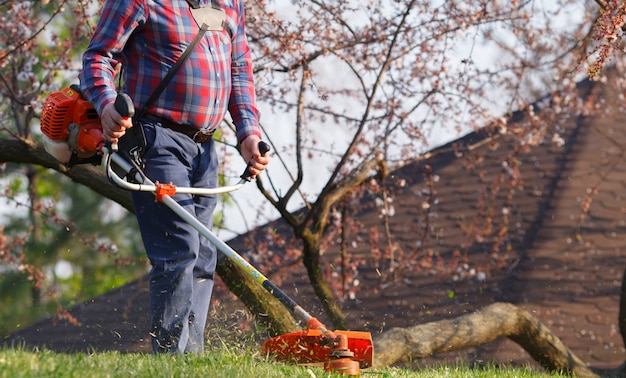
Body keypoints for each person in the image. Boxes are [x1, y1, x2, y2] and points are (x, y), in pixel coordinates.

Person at [79, 0, 269, 354]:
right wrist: (106, 105)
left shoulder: (229, 4)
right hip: (155, 138)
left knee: (203, 255)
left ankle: (189, 359)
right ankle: (171, 358)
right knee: (179, 247)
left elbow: (239, 69)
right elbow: (97, 58)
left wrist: (248, 133)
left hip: (204, 146)